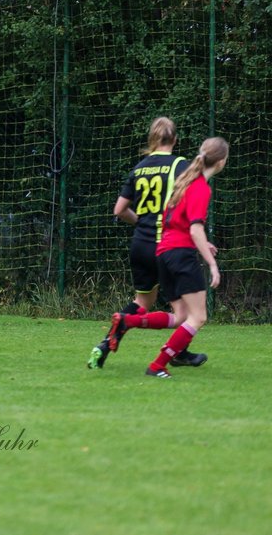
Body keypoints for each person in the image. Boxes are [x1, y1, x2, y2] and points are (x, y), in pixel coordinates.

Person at [87, 117, 205, 369]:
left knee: (142, 303)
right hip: (167, 244)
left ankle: (104, 345)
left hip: (140, 244)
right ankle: (176, 354)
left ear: (152, 138)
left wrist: (141, 222)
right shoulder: (180, 166)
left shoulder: (139, 168)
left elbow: (119, 210)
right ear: (174, 139)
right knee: (184, 312)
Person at [108, 137, 228, 378]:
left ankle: (128, 321)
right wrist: (212, 265)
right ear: (222, 161)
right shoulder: (200, 187)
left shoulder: (184, 182)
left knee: (181, 317)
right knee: (199, 317)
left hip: (163, 252)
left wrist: (203, 243)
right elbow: (194, 229)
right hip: (181, 256)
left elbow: (177, 222)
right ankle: (157, 365)